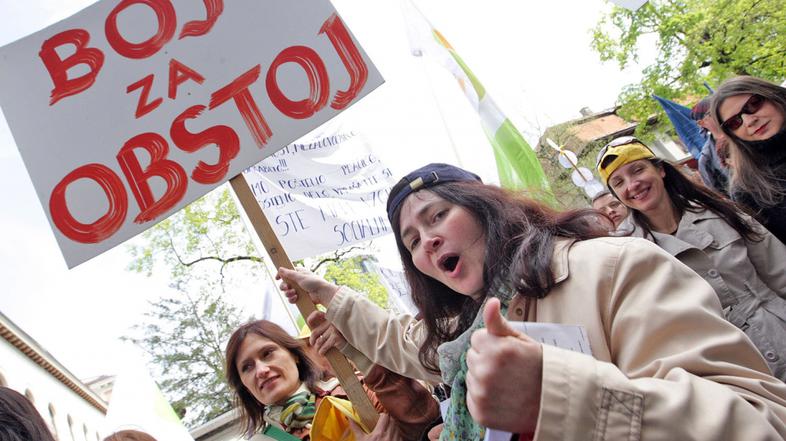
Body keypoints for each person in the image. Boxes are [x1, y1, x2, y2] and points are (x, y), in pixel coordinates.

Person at [280, 162, 786, 440]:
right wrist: (331, 296)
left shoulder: (613, 268)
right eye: (411, 241)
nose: (426, 243)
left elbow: (759, 422)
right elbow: (403, 343)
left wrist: (556, 398)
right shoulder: (461, 341)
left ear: (487, 208)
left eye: (436, 217)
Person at [597, 135, 786, 381]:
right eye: (619, 182)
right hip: (731, 369)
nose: (632, 185)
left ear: (660, 170)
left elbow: (779, 269)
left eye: (637, 170)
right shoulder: (627, 251)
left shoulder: (719, 210)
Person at [224, 319, 437, 441]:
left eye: (267, 353)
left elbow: (428, 426)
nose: (261, 370)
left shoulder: (356, 388)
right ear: (243, 384)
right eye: (247, 367)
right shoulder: (265, 440)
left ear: (294, 355)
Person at [711, 76, 786, 243]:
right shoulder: (747, 188)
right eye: (734, 122)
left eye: (753, 104)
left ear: (773, 95)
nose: (749, 121)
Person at [691, 96, 730, 196]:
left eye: (720, 107)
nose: (720, 113)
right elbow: (718, 195)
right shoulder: (706, 158)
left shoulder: (745, 129)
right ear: (702, 123)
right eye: (712, 112)